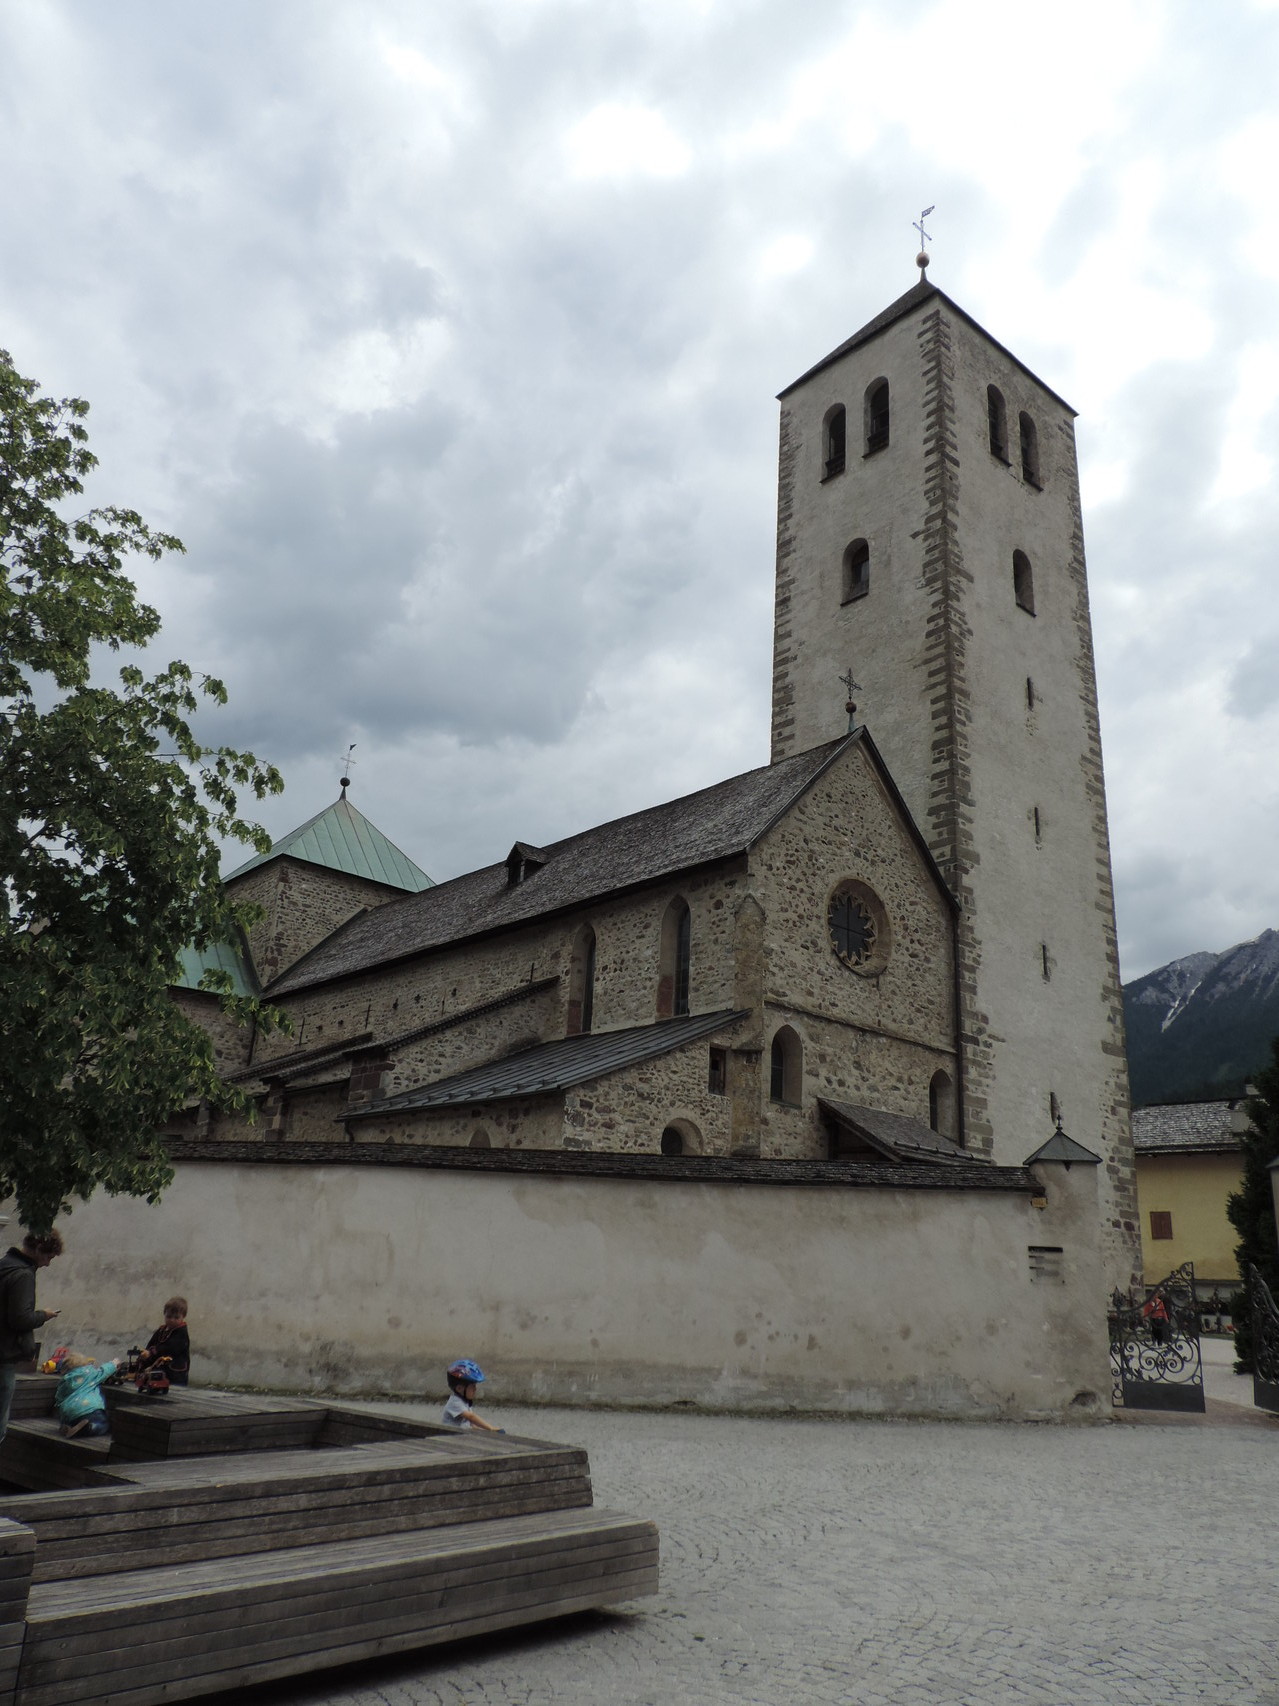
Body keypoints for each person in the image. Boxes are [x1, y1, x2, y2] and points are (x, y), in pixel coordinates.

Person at [0, 1229, 64, 1445]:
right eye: (48, 1257)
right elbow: (20, 1318)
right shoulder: (23, 1275)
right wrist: (43, 1316)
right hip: (4, 1356)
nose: (47, 1264)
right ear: (38, 1249)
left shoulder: (4, 1264)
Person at [53, 1352, 121, 1438]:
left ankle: (68, 1426)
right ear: (85, 1365)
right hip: (89, 1409)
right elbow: (104, 1371)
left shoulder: (65, 1381)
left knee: (73, 1420)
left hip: (69, 1413)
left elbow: (59, 1400)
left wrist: (63, 1418)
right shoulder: (90, 1374)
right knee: (104, 1424)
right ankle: (89, 1428)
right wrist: (114, 1363)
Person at [136, 1297, 191, 1387]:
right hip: (160, 1366)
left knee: (174, 1388)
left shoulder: (181, 1332)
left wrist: (152, 1352)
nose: (172, 1320)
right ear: (164, 1314)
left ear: (183, 1317)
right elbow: (152, 1343)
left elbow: (170, 1348)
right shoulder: (162, 1330)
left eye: (176, 1317)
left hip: (175, 1371)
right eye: (168, 1316)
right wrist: (146, 1352)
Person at [442, 1359, 504, 1433]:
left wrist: (484, 1432)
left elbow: (470, 1425)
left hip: (459, 1435)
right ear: (459, 1388)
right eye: (472, 1386)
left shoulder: (465, 1402)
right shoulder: (455, 1402)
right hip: (449, 1436)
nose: (475, 1389)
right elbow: (471, 1417)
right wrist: (491, 1428)